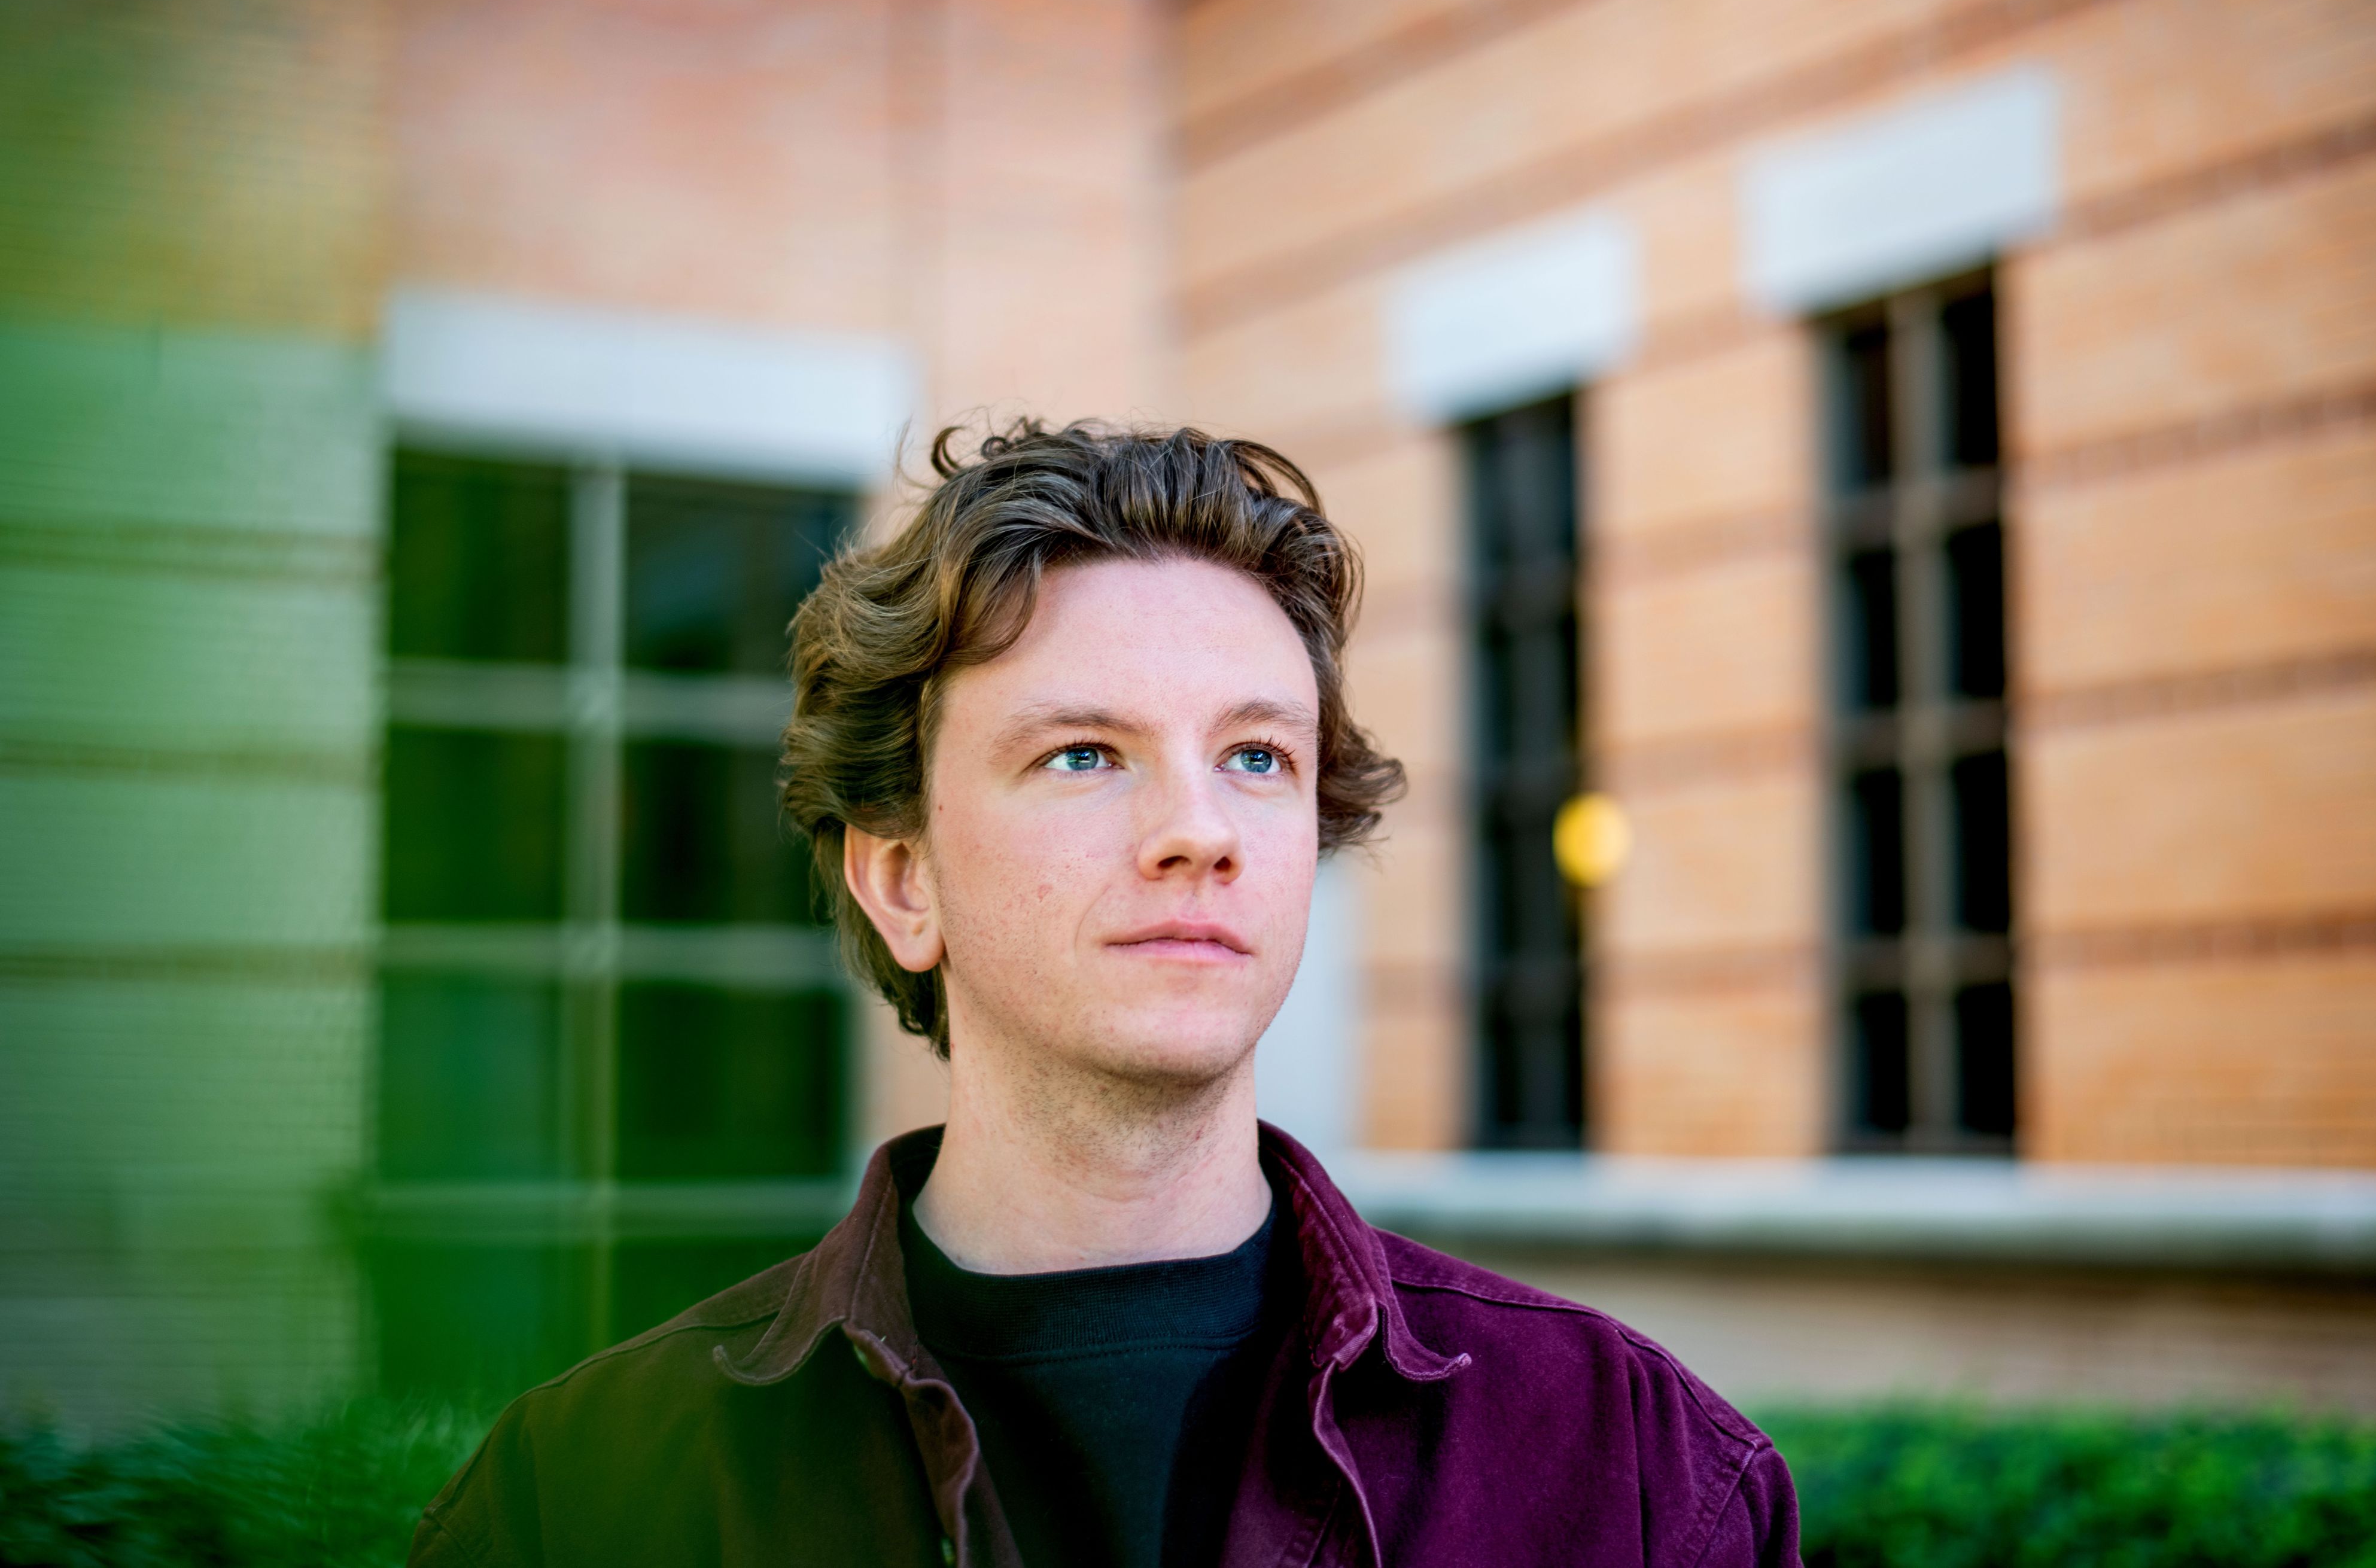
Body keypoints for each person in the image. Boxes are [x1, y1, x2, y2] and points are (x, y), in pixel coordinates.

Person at [407, 422, 1803, 1567]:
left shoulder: (1631, 1474)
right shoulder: (580, 1499)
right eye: (1083, 754)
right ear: (903, 881)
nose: (1197, 830)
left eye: (1255, 756)